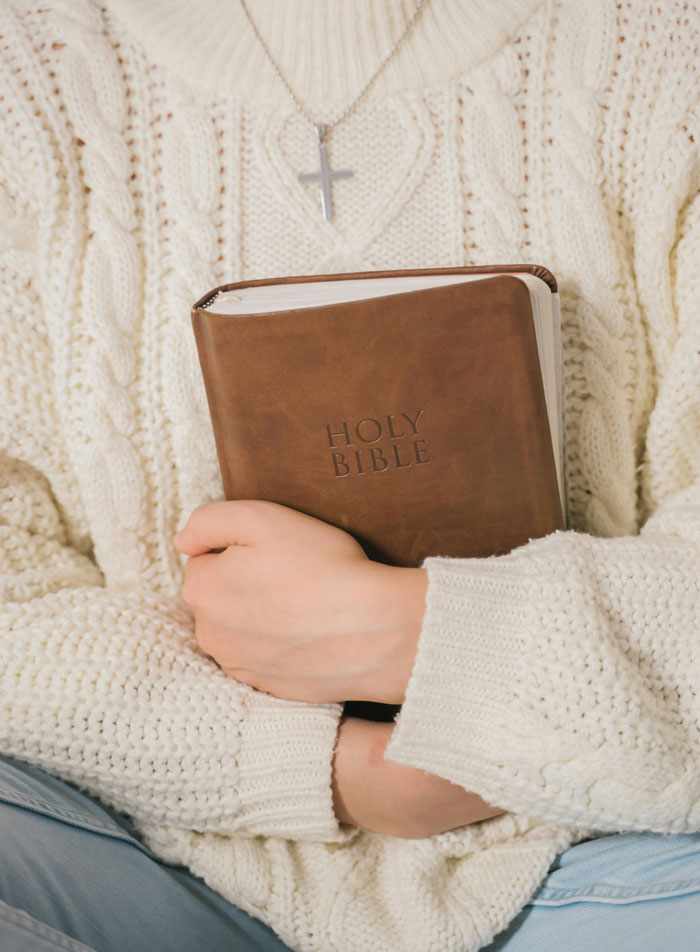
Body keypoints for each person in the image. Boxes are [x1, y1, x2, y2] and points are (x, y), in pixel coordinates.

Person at [1, 0, 699, 950]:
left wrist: (419, 638)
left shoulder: (663, 46)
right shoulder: (30, 70)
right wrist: (324, 767)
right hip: (152, 845)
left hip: (605, 842)